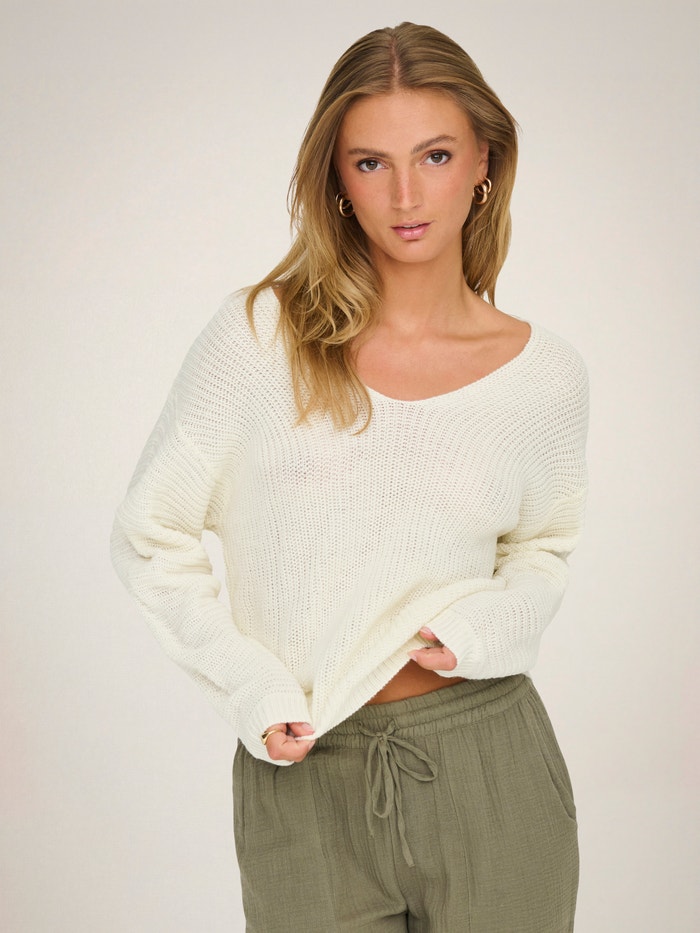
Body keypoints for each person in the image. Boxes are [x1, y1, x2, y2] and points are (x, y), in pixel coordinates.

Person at [112, 21, 588, 933]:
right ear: (335, 177)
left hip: (491, 766)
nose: (406, 195)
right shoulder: (259, 338)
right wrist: (250, 684)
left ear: (483, 161)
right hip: (304, 776)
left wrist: (481, 630)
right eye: (372, 162)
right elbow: (150, 536)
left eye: (435, 155)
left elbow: (543, 548)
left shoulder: (545, 376)